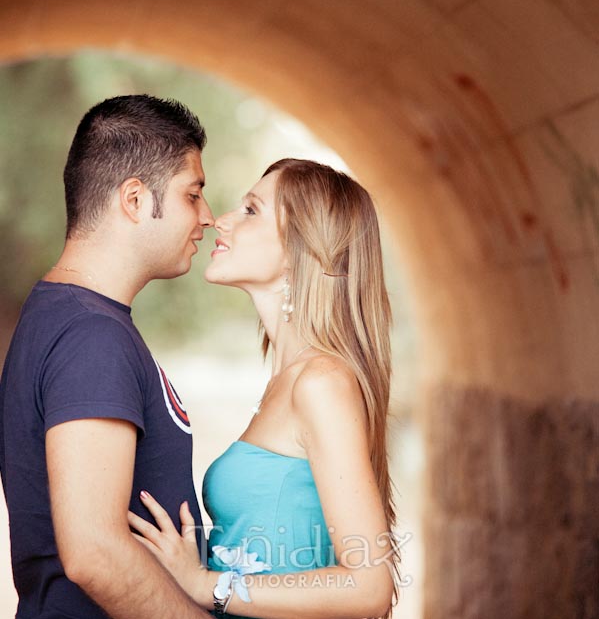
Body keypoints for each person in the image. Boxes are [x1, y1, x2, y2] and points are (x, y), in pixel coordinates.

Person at [128, 158, 401, 619]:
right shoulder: (287, 381)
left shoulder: (321, 382)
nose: (220, 220)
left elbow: (370, 584)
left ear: (303, 249)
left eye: (251, 210)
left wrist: (203, 584)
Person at [0, 94, 215, 619]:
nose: (207, 217)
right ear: (135, 200)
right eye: (193, 194)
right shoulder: (91, 336)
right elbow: (94, 551)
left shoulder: (68, 316)